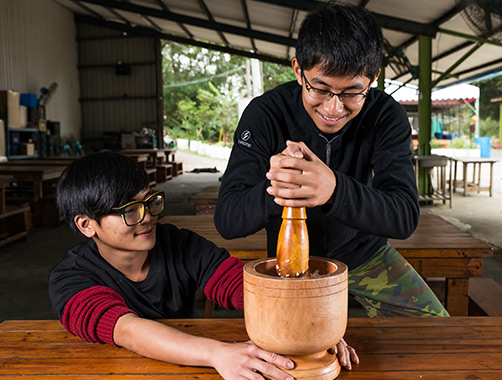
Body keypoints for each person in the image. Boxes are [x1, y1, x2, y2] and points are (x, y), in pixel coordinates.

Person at [214, 4, 449, 320]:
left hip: (366, 257)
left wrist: (335, 190)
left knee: (436, 333)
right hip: (290, 262)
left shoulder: (386, 115)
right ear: (298, 70)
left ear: (373, 78)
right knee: (288, 351)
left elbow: (404, 216)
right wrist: (278, 187)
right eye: (321, 89)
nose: (334, 108)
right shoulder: (265, 113)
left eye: (353, 92)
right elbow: (227, 221)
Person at [50, 151, 341, 380]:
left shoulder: (180, 243)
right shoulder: (71, 279)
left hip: (188, 367)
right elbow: (127, 330)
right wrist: (218, 354)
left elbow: (242, 287)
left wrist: (310, 326)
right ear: (86, 225)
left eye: (150, 201)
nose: (148, 216)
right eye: (130, 210)